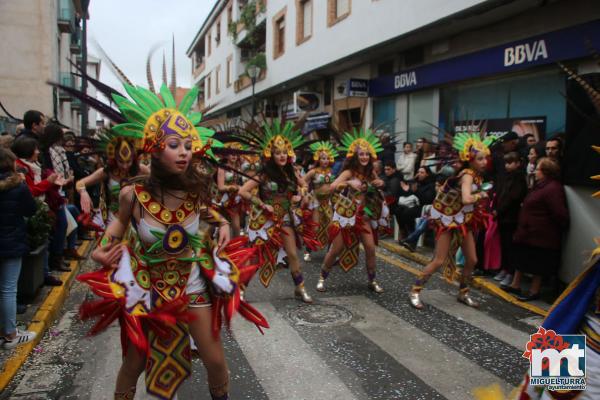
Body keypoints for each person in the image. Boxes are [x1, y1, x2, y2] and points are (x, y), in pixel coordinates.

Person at [78, 83, 267, 400]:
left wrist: (220, 223)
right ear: (153, 148)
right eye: (174, 144)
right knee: (134, 362)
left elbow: (210, 214)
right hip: (149, 292)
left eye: (187, 145)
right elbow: (116, 229)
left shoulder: (194, 191)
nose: (184, 152)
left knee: (216, 361)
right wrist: (101, 252)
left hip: (191, 288)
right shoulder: (132, 196)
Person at [409, 132, 495, 309]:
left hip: (463, 221)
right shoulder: (468, 175)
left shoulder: (476, 175)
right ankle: (415, 291)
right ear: (470, 159)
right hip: (447, 221)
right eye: (480, 159)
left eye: (485, 158)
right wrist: (481, 194)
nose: (484, 162)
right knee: (438, 260)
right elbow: (466, 199)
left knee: (471, 259)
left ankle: (463, 293)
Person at [238, 120, 318, 303]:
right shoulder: (264, 174)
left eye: (284, 152)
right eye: (277, 153)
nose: (281, 156)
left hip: (286, 218)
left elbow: (304, 184)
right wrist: (261, 204)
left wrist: (300, 194)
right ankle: (242, 289)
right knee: (257, 256)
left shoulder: (292, 172)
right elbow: (243, 191)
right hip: (266, 220)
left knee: (292, 254)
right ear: (271, 155)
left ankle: (300, 288)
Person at [316, 128, 386, 294]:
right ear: (355, 156)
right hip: (346, 215)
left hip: (363, 216)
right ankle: (321, 277)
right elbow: (332, 187)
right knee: (336, 248)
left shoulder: (371, 172)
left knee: (370, 248)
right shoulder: (348, 172)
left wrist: (380, 183)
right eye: (361, 154)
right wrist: (349, 183)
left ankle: (372, 280)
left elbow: (379, 183)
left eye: (366, 154)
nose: (364, 157)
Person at [506, 157, 569, 301]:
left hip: (541, 234)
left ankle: (534, 291)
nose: (535, 172)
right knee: (522, 259)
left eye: (538, 169)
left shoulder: (553, 188)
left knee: (538, 264)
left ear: (546, 172)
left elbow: (559, 212)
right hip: (528, 232)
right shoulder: (540, 185)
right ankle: (515, 285)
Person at [12, 137, 65, 286]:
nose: (37, 152)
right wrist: (48, 182)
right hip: (33, 210)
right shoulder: (21, 168)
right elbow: (31, 191)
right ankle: (44, 274)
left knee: (45, 241)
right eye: (35, 149)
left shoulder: (33, 166)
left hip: (41, 207)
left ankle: (44, 273)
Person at [0, 148, 38, 349]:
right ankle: (11, 334)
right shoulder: (18, 186)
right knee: (8, 289)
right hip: (11, 242)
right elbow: (31, 210)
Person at [75, 130, 149, 229]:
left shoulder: (142, 170)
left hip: (137, 220)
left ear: (134, 158)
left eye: (128, 161)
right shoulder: (106, 171)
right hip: (113, 219)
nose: (125, 166)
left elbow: (160, 184)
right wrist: (83, 193)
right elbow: (80, 183)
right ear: (114, 159)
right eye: (121, 161)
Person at [493, 152, 527, 289]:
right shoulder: (505, 177)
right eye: (506, 162)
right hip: (502, 217)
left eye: (511, 162)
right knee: (503, 245)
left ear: (518, 163)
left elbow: (513, 198)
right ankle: (504, 269)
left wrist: (499, 210)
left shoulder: (519, 178)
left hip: (511, 218)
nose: (508, 165)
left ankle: (509, 272)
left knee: (510, 246)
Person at [303, 141, 338, 255]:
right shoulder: (313, 171)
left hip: (327, 202)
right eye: (323, 158)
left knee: (330, 226)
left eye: (327, 158)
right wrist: (306, 193)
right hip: (316, 202)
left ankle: (330, 251)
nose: (325, 161)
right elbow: (303, 182)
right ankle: (308, 250)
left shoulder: (331, 172)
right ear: (318, 159)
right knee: (315, 227)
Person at [215, 142, 244, 238]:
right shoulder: (222, 168)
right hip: (223, 200)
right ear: (227, 155)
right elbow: (220, 187)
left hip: (236, 199)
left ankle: (237, 246)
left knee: (236, 226)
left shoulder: (239, 167)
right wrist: (231, 188)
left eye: (236, 154)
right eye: (232, 154)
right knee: (220, 225)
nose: (234, 156)